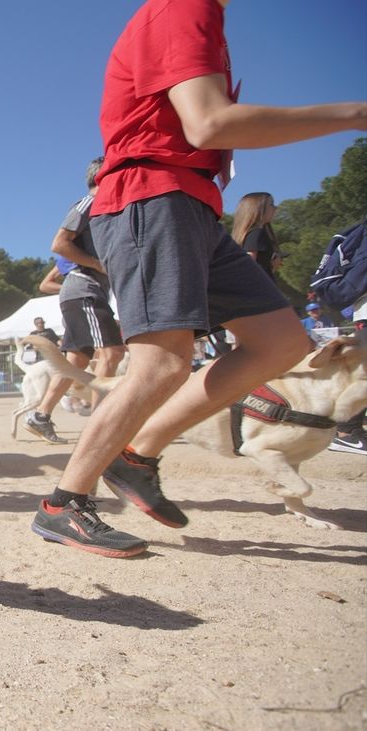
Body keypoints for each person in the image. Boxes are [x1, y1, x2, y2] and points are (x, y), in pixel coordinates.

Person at [31, 0, 367, 558]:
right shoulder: (184, 6)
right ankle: (64, 503)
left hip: (191, 204)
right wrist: (356, 113)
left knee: (282, 341)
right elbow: (207, 121)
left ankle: (136, 456)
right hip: (151, 195)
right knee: (159, 363)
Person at [27, 158, 127, 444]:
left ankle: (41, 415)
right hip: (84, 289)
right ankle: (98, 426)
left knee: (77, 359)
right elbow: (58, 244)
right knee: (112, 353)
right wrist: (98, 265)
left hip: (83, 290)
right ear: (103, 176)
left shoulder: (105, 212)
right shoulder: (88, 203)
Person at [232, 192, 280, 279]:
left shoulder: (253, 233)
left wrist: (272, 265)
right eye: (271, 204)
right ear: (258, 208)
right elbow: (249, 263)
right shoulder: (257, 233)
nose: (275, 208)